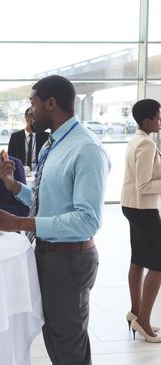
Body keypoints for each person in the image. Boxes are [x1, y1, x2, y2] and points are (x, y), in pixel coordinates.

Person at [0, 75, 111, 365]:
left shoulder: (85, 148)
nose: (31, 111)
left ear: (51, 103)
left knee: (69, 346)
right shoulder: (54, 143)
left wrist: (19, 223)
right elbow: (49, 202)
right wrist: (14, 186)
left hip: (69, 261)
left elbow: (87, 221)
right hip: (49, 256)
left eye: (33, 103)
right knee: (57, 340)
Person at [121, 98, 161, 343]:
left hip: (131, 206)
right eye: (158, 116)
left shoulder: (137, 139)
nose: (160, 120)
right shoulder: (146, 144)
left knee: (138, 259)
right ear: (146, 120)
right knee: (158, 265)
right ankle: (144, 322)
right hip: (143, 208)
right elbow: (144, 185)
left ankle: (135, 312)